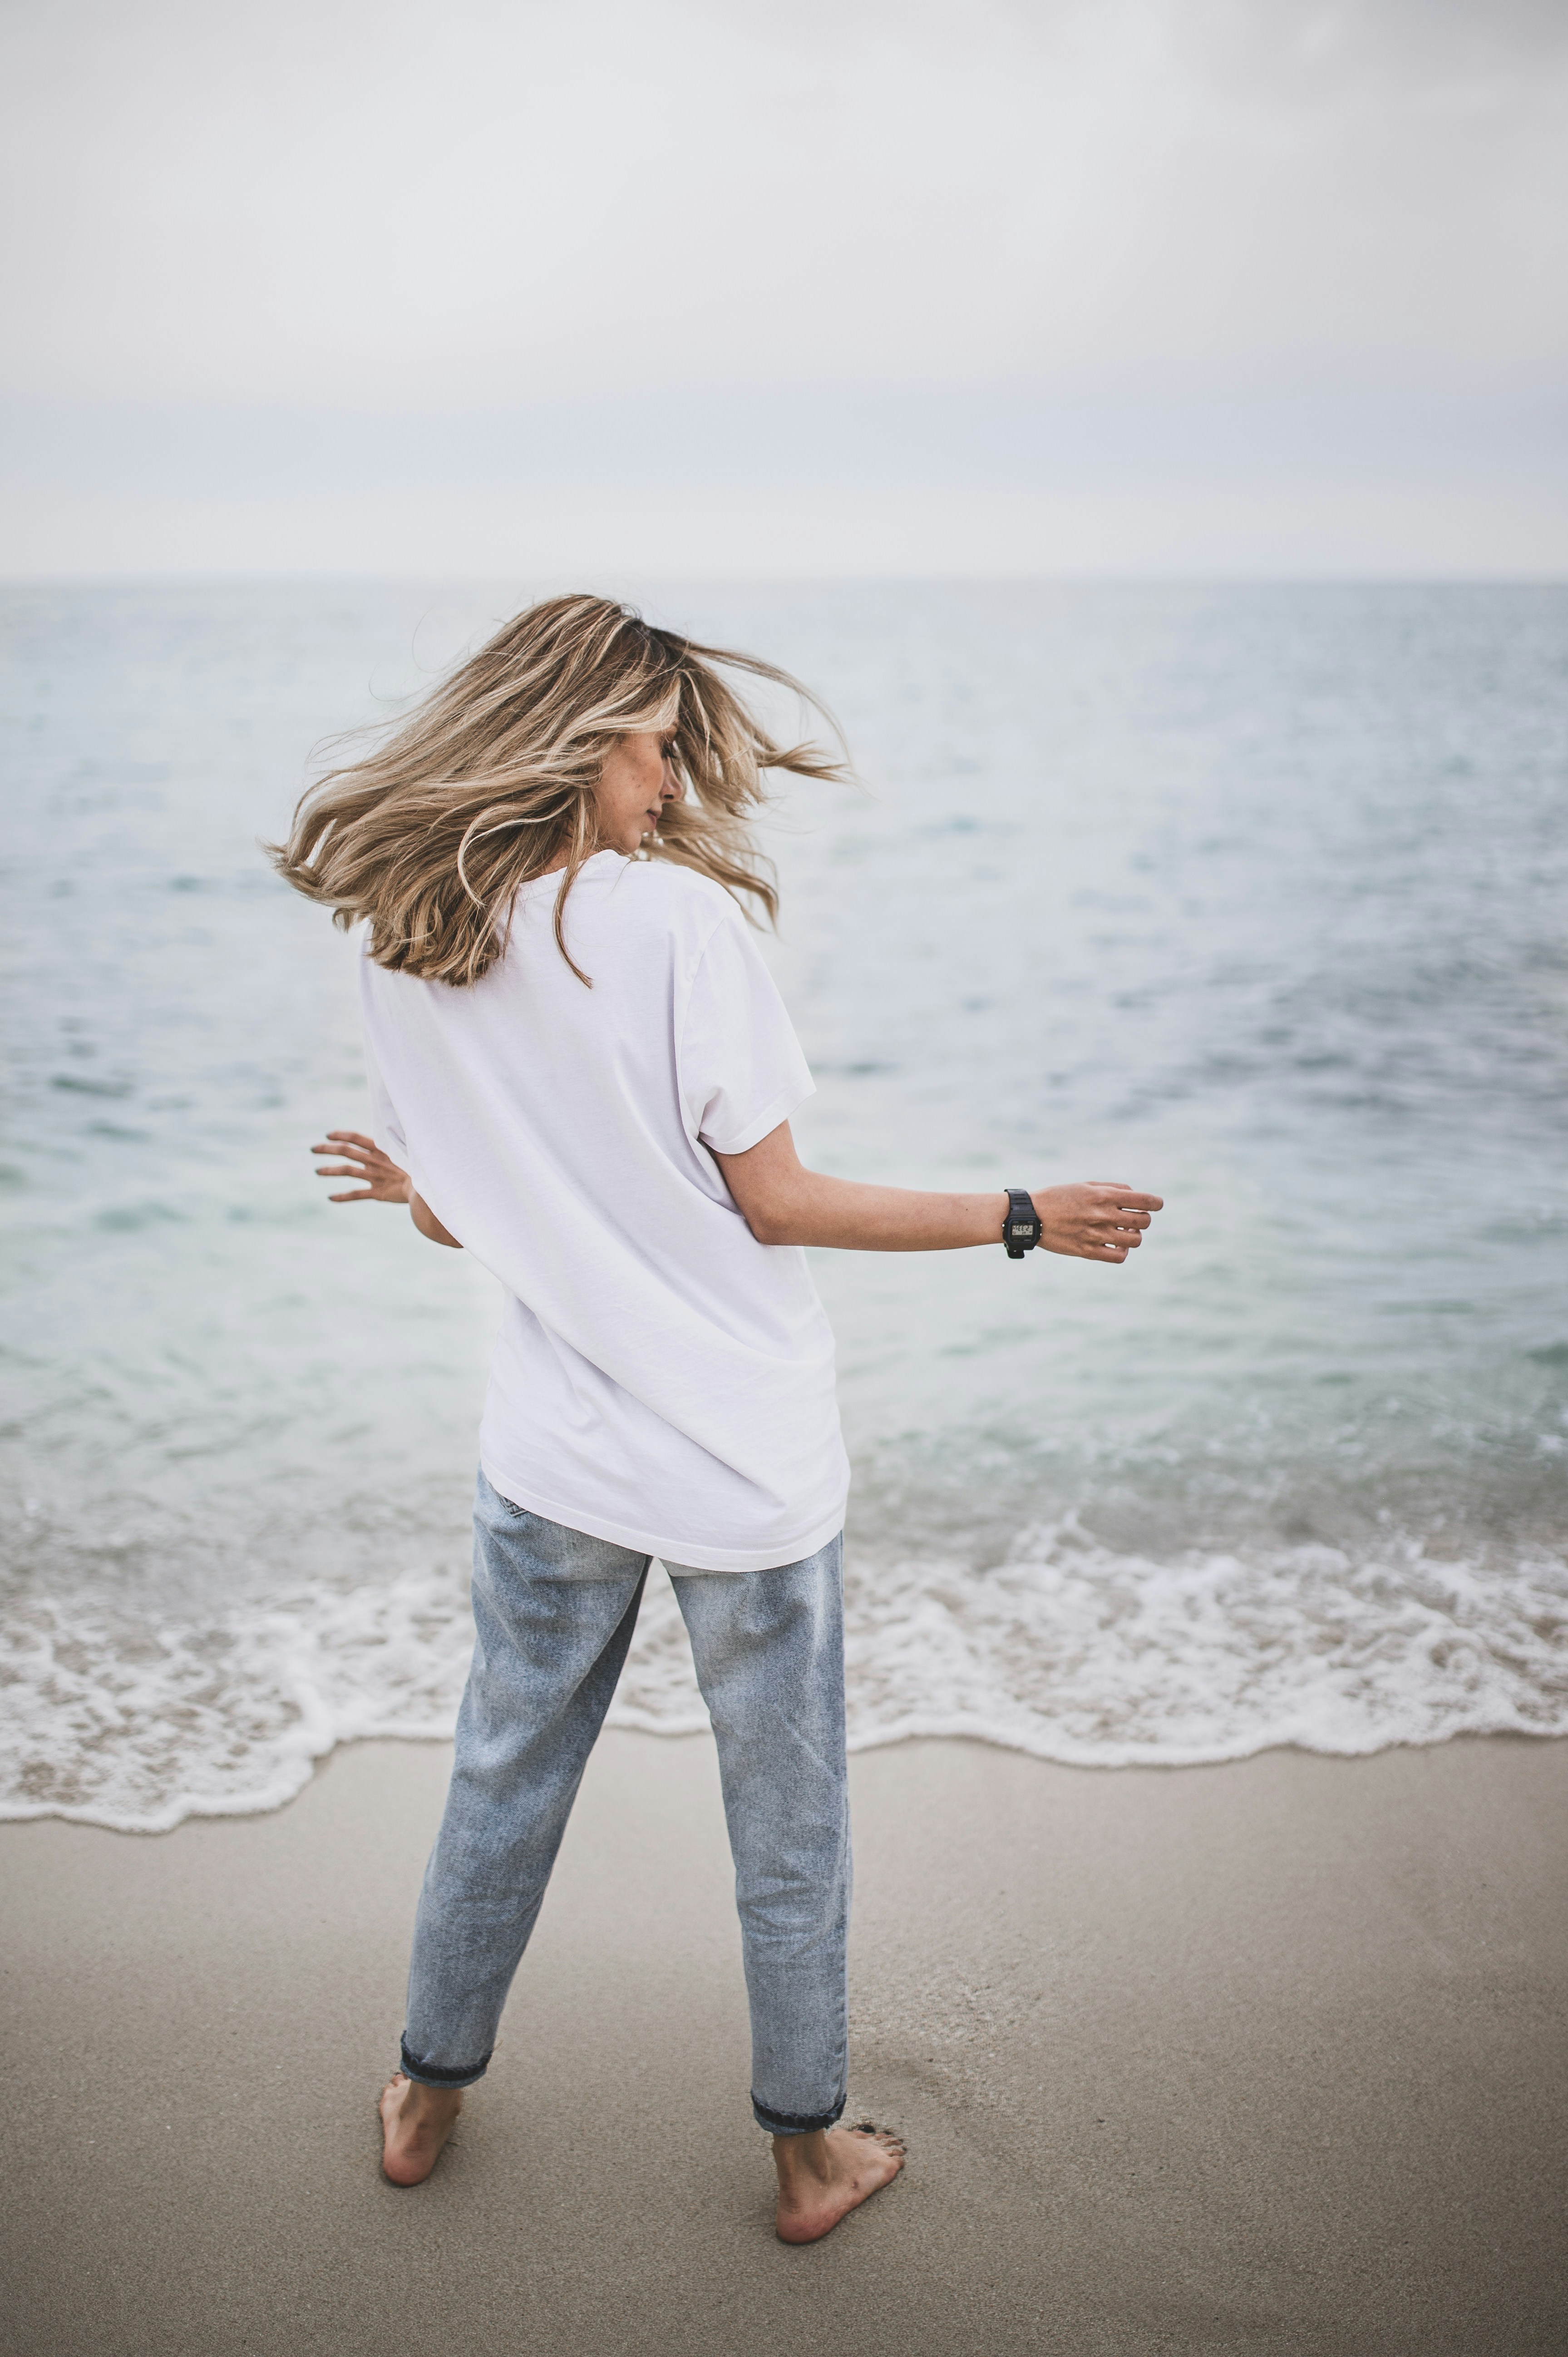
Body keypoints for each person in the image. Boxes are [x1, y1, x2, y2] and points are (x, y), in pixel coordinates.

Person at [276, 593, 1162, 2243]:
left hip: (552, 1456)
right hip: (743, 1457)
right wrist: (1023, 1213)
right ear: (578, 731)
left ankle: (423, 2092)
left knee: (501, 1776)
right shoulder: (675, 928)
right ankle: (808, 2161)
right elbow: (773, 1200)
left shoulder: (401, 938)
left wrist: (428, 1187)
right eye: (656, 747)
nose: (671, 787)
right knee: (789, 1820)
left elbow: (473, 1213)